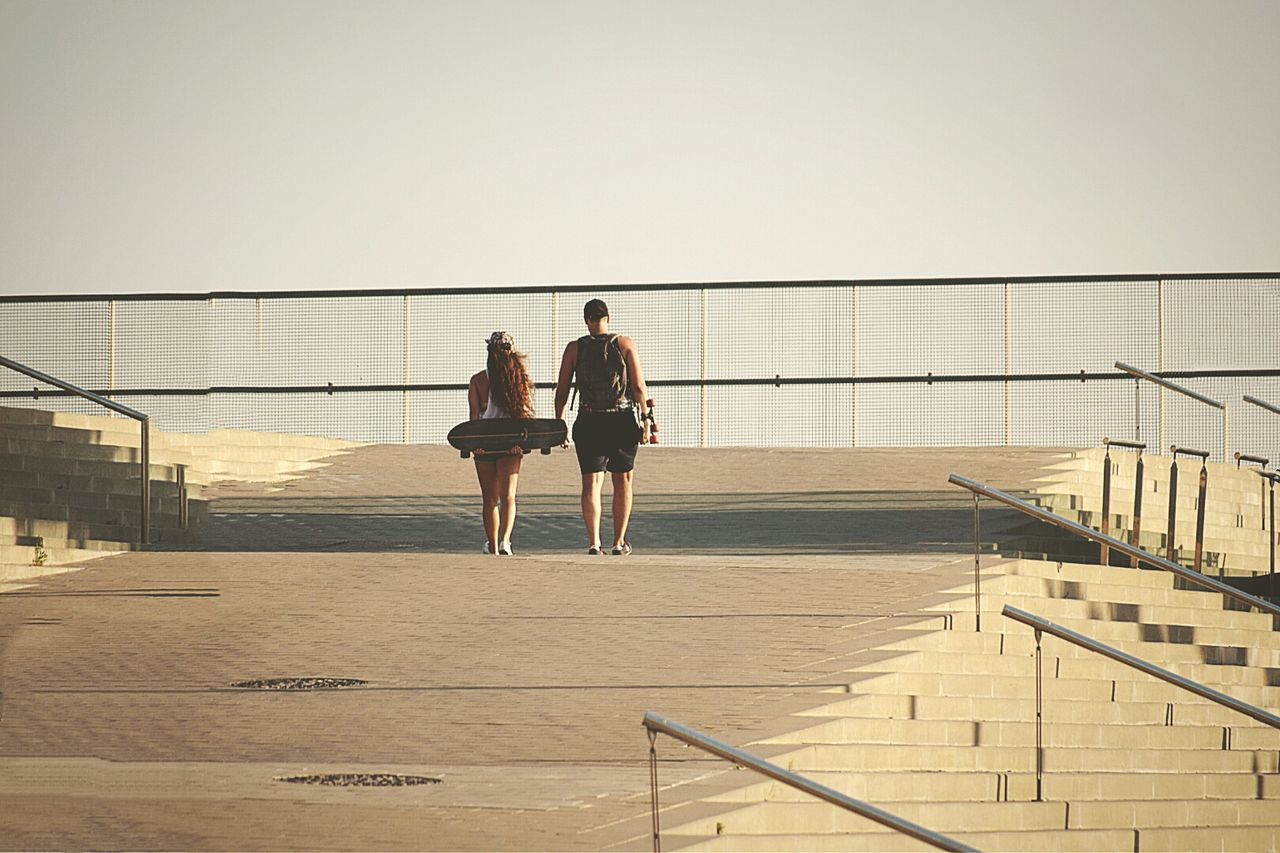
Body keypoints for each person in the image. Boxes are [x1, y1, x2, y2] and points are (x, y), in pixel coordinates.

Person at [555, 299, 652, 555]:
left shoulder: (575, 348)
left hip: (589, 421)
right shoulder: (624, 343)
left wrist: (560, 423)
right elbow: (640, 387)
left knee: (591, 483)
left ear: (586, 320)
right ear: (608, 318)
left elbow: (562, 391)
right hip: (621, 420)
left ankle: (594, 542)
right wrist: (646, 419)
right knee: (623, 481)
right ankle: (619, 542)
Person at [467, 331, 535, 556]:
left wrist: (474, 445)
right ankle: (506, 541)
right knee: (508, 496)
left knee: (490, 499)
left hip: (485, 442)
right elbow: (524, 414)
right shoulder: (520, 377)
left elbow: (474, 416)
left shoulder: (478, 380)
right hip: (511, 443)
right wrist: (522, 444)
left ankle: (493, 545)